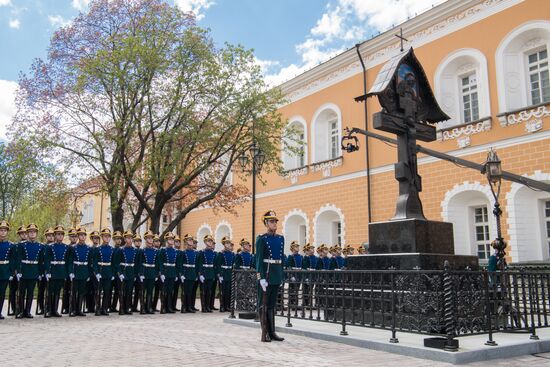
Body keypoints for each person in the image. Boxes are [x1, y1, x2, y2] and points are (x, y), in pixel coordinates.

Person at [256, 210, 285, 342]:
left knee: (272, 305)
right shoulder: (262, 239)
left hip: (276, 273)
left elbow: (281, 259)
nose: (274, 223)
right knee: (263, 305)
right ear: (266, 223)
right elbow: (259, 260)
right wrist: (260, 277)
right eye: (271, 221)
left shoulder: (280, 238)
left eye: (275, 221)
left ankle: (272, 332)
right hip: (266, 275)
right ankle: (265, 332)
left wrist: (282, 275)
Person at [16, 223, 45, 318]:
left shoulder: (40, 246)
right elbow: (18, 259)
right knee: (21, 292)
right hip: (24, 270)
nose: (32, 234)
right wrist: (18, 271)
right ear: (27, 233)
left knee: (31, 293)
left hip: (34, 271)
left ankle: (27, 311)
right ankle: (20, 311)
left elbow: (41, 261)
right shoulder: (21, 245)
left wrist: (40, 273)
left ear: (36, 234)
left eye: (34, 232)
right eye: (30, 232)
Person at [44, 226, 75, 318]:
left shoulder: (66, 247)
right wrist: (47, 271)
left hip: (61, 271)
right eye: (58, 234)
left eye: (62, 234)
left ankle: (55, 310)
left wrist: (69, 272)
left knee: (58, 291)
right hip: (53, 270)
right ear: (55, 235)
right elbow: (47, 260)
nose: (60, 236)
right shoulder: (50, 247)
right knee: (50, 291)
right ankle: (49, 310)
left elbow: (68, 262)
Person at [93, 228, 117, 316]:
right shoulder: (97, 249)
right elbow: (94, 262)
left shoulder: (112, 249)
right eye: (105, 236)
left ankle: (104, 308)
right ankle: (98, 308)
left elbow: (114, 263)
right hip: (100, 270)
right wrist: (96, 272)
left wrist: (113, 274)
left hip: (108, 271)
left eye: (108, 236)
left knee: (107, 291)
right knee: (98, 291)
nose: (107, 238)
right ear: (102, 237)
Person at [117, 230, 139, 315]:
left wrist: (135, 274)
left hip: (131, 272)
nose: (129, 240)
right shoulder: (121, 250)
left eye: (131, 238)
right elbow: (117, 263)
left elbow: (136, 263)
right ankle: (121, 308)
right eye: (128, 238)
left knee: (129, 291)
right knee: (122, 291)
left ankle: (127, 308)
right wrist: (120, 273)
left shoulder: (135, 250)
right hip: (124, 271)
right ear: (125, 239)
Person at [71, 227, 92, 316]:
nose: (82, 237)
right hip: (76, 270)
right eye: (80, 235)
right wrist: (71, 272)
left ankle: (79, 309)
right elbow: (70, 261)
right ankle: (73, 310)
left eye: (84, 235)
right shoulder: (73, 248)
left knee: (81, 291)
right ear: (78, 236)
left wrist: (88, 274)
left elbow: (90, 263)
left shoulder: (88, 248)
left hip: (84, 271)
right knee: (74, 291)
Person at [8, 226, 27, 316]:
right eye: (21, 233)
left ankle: (20, 309)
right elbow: (13, 258)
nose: (24, 235)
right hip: (14, 271)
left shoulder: (26, 246)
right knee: (12, 291)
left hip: (22, 271)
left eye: (25, 233)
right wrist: (14, 271)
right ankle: (13, 308)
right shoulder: (14, 245)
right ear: (19, 235)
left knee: (21, 291)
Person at [0, 220, 17, 319]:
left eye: (4, 230)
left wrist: (11, 272)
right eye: (1, 230)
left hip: (5, 270)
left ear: (7, 232)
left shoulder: (11, 245)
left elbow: (13, 260)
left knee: (2, 293)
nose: (2, 232)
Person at [36, 227, 54, 315]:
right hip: (42, 271)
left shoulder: (54, 247)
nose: (50, 237)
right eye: (48, 236)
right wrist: (40, 273)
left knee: (50, 291)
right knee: (41, 291)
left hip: (51, 272)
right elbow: (39, 261)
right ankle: (41, 308)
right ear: (46, 237)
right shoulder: (42, 247)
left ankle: (49, 308)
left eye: (52, 235)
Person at [139, 230, 158, 314]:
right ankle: (142, 307)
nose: (150, 240)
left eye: (151, 238)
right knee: (143, 291)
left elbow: (157, 263)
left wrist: (157, 274)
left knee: (150, 291)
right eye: (148, 238)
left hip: (152, 272)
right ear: (145, 240)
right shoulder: (142, 251)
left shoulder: (156, 251)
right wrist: (141, 274)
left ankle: (149, 307)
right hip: (145, 272)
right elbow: (139, 263)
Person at [196, 234, 216, 312]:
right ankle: (204, 307)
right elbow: (199, 264)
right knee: (203, 291)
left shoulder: (213, 253)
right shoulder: (201, 252)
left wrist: (214, 274)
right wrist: (200, 274)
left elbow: (214, 265)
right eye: (208, 241)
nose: (210, 242)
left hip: (210, 272)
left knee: (209, 291)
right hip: (204, 272)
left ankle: (208, 306)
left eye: (211, 241)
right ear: (205, 242)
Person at [215, 236, 234, 312]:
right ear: (224, 244)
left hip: (229, 273)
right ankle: (222, 306)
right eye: (226, 243)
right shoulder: (221, 254)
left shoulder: (232, 254)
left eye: (229, 243)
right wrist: (219, 274)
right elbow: (218, 265)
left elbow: (233, 264)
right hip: (223, 273)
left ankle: (228, 306)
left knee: (229, 291)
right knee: (223, 291)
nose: (228, 244)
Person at [180, 234, 198, 313]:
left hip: (192, 273)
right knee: (184, 291)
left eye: (191, 240)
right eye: (188, 240)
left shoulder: (195, 253)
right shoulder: (183, 253)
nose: (190, 242)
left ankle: (189, 307)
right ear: (185, 242)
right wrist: (181, 274)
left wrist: (196, 274)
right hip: (185, 273)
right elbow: (179, 264)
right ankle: (184, 307)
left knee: (190, 291)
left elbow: (196, 265)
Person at [85, 230, 101, 313]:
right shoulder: (89, 248)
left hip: (97, 271)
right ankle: (88, 307)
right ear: (91, 238)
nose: (96, 239)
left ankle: (95, 306)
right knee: (88, 290)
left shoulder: (99, 248)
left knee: (96, 289)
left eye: (97, 238)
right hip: (89, 271)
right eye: (94, 238)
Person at [285, 241, 303, 310]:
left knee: (297, 290)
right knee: (292, 290)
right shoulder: (290, 257)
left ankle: (296, 304)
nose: (298, 248)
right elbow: (288, 266)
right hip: (293, 275)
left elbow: (302, 266)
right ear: (292, 248)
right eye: (296, 246)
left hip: (299, 274)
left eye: (298, 246)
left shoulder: (301, 256)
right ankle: (292, 304)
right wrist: (291, 276)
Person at [110, 230, 123, 312]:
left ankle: (114, 306)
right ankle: (107, 306)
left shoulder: (122, 250)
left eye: (120, 239)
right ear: (114, 240)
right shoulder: (111, 249)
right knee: (109, 291)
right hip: (112, 273)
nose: (119, 240)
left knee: (117, 291)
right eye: (117, 239)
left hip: (118, 273)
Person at [132, 233, 143, 312]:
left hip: (139, 274)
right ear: (134, 242)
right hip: (132, 273)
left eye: (139, 241)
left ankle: (134, 306)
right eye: (136, 241)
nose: (138, 242)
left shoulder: (141, 251)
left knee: (137, 291)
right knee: (128, 291)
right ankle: (128, 306)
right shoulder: (133, 250)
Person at [172, 235, 182, 311]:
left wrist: (180, 274)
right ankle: (169, 305)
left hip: (178, 274)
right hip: (172, 272)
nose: (178, 243)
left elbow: (180, 264)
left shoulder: (180, 252)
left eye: (179, 241)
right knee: (171, 290)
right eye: (176, 241)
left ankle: (174, 305)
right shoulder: (173, 251)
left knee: (176, 291)